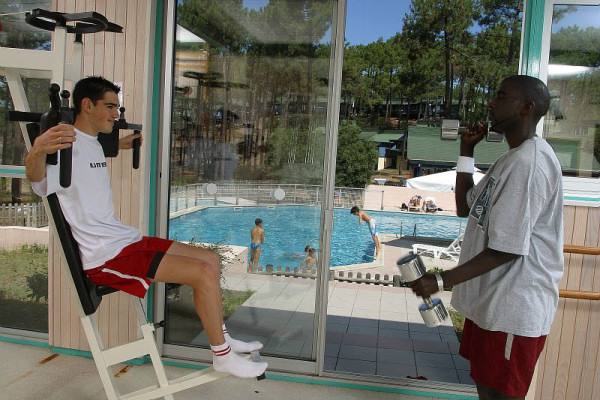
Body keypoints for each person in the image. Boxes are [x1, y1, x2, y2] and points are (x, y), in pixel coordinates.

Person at [25, 76, 267, 379]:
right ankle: (222, 356)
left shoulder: (91, 142)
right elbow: (37, 182)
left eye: (117, 107)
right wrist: (37, 149)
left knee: (211, 260)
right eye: (110, 107)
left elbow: (95, 152)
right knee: (202, 273)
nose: (116, 114)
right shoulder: (64, 146)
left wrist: (122, 144)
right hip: (105, 256)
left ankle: (224, 339)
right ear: (87, 105)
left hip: (125, 240)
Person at [409, 75, 563, 400]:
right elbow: (465, 207)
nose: (491, 103)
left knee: (499, 395)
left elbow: (507, 249)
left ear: (526, 107)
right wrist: (466, 150)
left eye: (501, 97)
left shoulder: (529, 164)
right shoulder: (510, 159)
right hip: (492, 306)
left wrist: (441, 280)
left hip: (513, 311)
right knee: (486, 391)